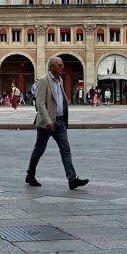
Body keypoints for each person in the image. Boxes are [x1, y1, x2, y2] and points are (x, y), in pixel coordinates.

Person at [26, 56, 88, 190]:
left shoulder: (59, 79)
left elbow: (59, 100)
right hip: (47, 123)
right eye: (60, 65)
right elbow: (40, 103)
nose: (62, 67)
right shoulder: (43, 81)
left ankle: (72, 179)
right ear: (52, 67)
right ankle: (30, 175)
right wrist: (48, 121)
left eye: (62, 65)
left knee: (66, 149)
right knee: (39, 150)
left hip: (59, 121)